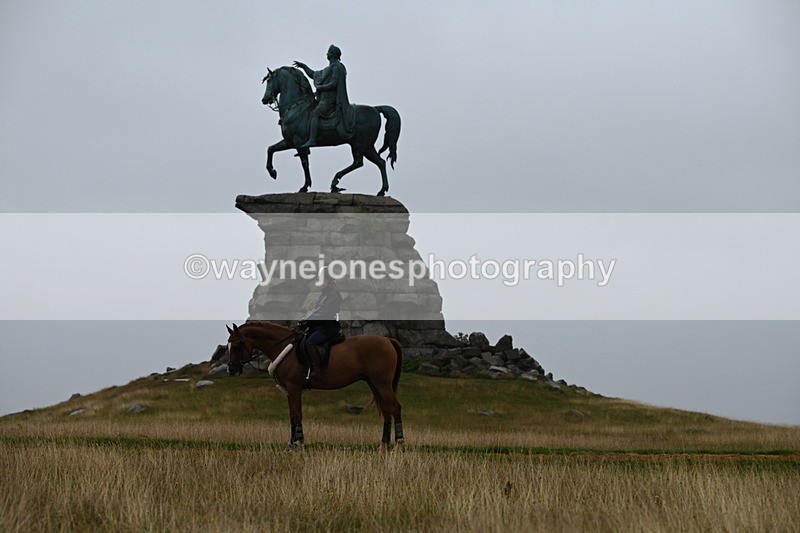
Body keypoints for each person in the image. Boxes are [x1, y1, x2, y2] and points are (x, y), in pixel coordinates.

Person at [293, 44, 354, 148]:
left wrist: (321, 87)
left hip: (330, 100)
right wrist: (304, 67)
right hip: (323, 99)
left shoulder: (337, 67)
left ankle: (312, 140)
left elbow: (334, 84)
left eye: (328, 52)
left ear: (333, 54)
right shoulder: (327, 69)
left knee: (315, 113)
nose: (326, 54)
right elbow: (314, 75)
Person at [298, 267, 343, 381]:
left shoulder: (332, 294)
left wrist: (306, 322)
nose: (321, 282)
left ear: (329, 280)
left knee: (310, 343)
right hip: (321, 326)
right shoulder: (325, 294)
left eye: (323, 280)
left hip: (328, 327)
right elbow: (315, 311)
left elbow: (322, 312)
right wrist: (304, 320)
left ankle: (318, 372)